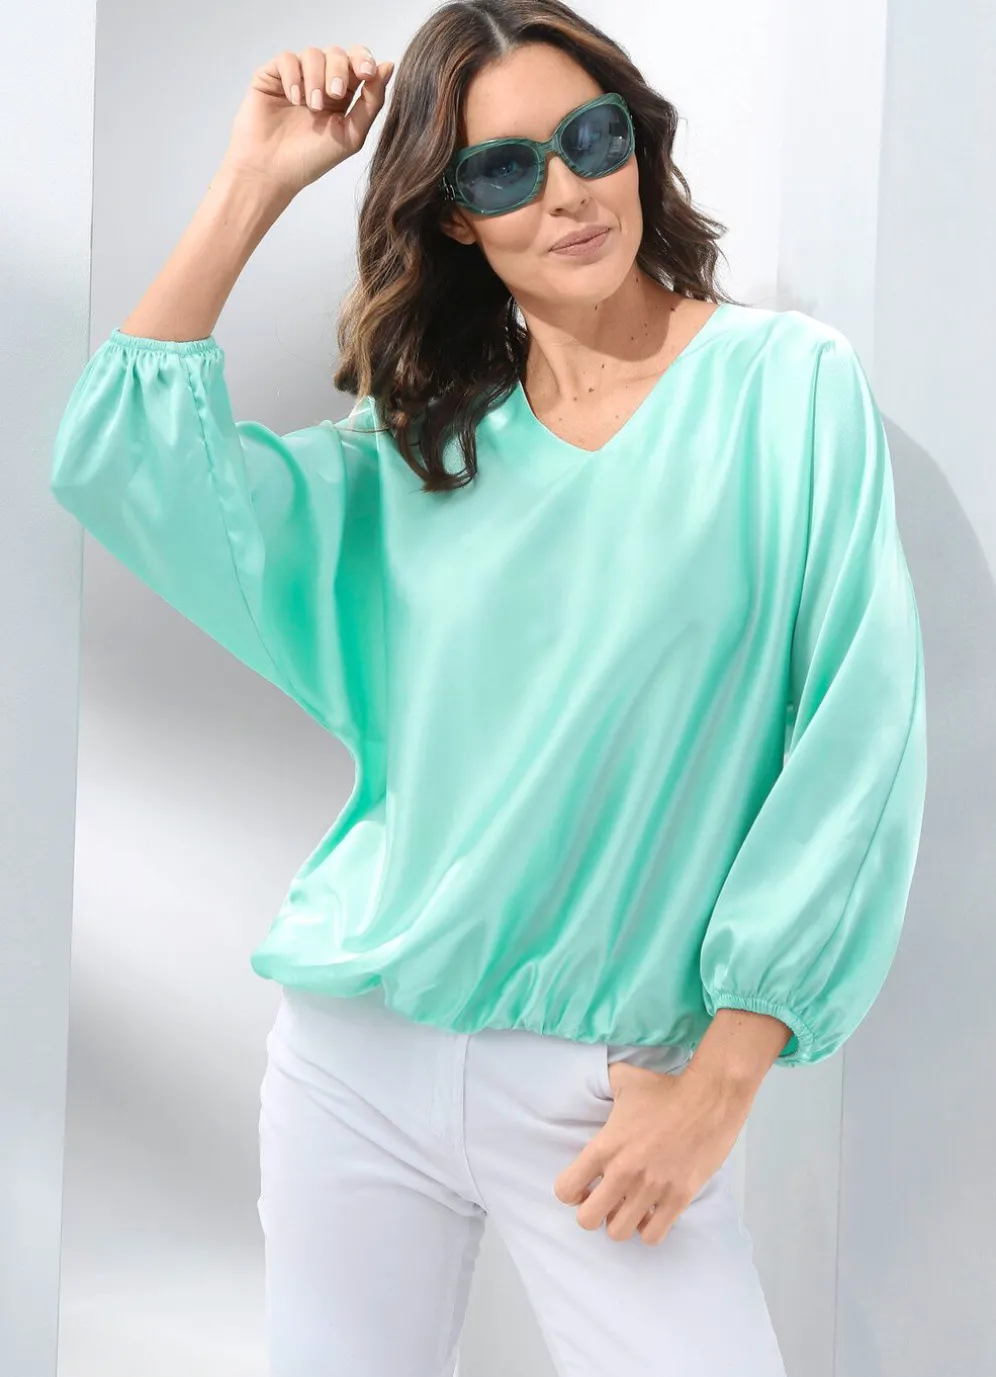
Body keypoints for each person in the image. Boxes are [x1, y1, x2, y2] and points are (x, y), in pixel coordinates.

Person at [49, 2, 927, 1373]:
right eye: (507, 168)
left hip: (608, 1085)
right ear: (454, 216)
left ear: (639, 145)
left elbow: (857, 734)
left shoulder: (785, 387)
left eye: (594, 139)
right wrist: (254, 181)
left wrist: (722, 1080)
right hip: (355, 1061)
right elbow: (130, 467)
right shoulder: (422, 446)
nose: (569, 191)